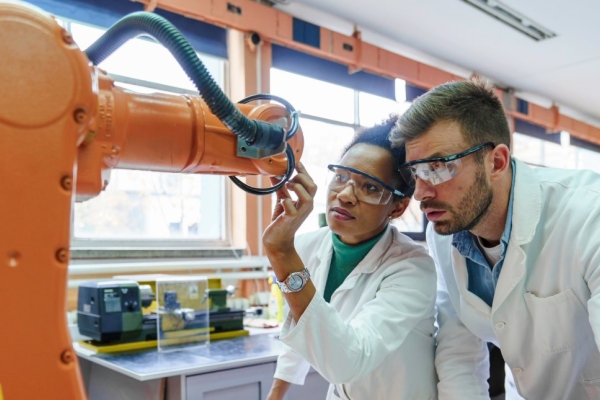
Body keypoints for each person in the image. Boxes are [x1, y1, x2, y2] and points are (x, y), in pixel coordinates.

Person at [389, 78, 600, 400]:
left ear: (496, 162)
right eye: (415, 172)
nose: (420, 192)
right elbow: (458, 351)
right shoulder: (443, 235)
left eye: (438, 167)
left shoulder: (589, 214)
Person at [263, 116, 438, 400]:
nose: (345, 195)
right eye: (341, 177)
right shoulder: (306, 247)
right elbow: (303, 332)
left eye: (370, 188)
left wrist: (281, 253)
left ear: (398, 208)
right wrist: (275, 395)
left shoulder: (413, 268)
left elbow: (350, 360)